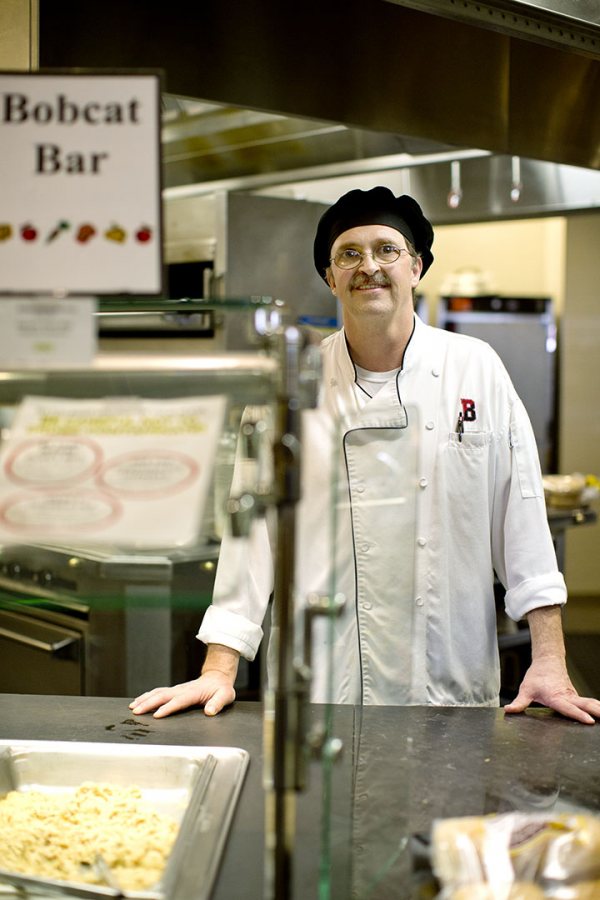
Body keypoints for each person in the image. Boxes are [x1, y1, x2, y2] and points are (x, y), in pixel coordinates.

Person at [131, 186, 600, 725]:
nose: (368, 267)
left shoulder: (477, 368)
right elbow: (252, 532)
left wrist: (550, 660)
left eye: (386, 250)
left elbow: (521, 518)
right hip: (323, 679)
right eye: (348, 254)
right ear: (331, 278)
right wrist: (218, 667)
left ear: (416, 267)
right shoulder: (292, 381)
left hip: (447, 673)